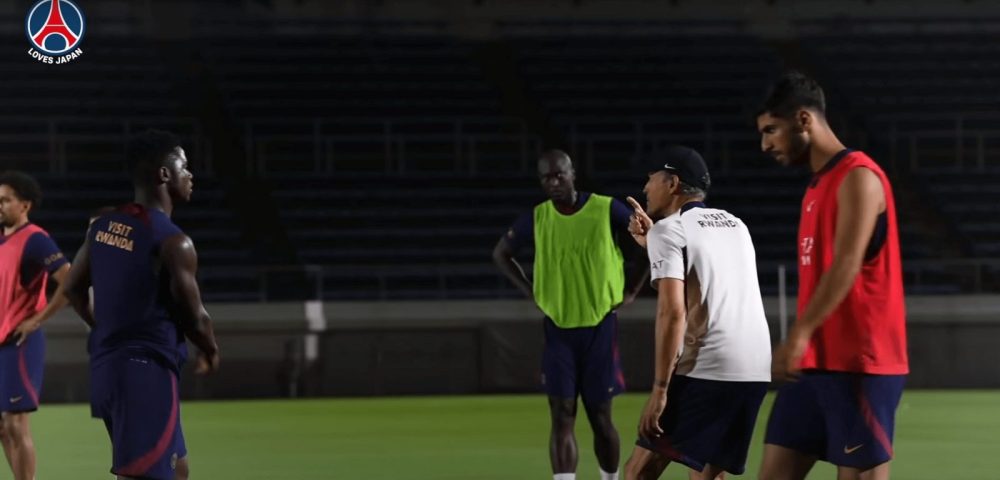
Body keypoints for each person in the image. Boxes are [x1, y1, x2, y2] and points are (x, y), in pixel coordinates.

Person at [755, 71, 908, 480]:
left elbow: (846, 264)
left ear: (804, 120)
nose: (765, 144)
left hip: (861, 363)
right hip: (813, 365)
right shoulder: (814, 188)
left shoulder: (859, 176)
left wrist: (798, 335)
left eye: (772, 130)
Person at [63, 130, 220, 480]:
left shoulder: (104, 227)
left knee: (178, 469)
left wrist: (102, 325)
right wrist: (210, 350)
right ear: (164, 175)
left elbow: (73, 288)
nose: (190, 175)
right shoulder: (173, 241)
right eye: (184, 167)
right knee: (143, 476)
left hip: (110, 367)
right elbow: (195, 316)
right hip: (144, 372)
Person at [492, 149, 648, 480]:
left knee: (599, 414)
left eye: (559, 175)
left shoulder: (606, 209)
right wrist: (531, 290)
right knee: (562, 412)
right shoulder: (538, 217)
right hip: (559, 328)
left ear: (573, 173)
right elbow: (502, 253)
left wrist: (632, 289)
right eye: (546, 177)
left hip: (599, 326)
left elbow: (648, 244)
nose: (553, 182)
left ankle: (610, 478)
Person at [621, 147, 771, 480]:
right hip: (755, 370)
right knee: (706, 473)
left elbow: (674, 313)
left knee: (637, 472)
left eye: (651, 180)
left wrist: (660, 390)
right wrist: (652, 245)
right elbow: (702, 282)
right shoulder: (736, 225)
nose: (646, 189)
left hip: (709, 367)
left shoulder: (670, 230)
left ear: (672, 183)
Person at [0, 171, 71, 480]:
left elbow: (69, 281)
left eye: (5, 200)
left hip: (20, 342)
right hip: (1, 342)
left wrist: (37, 319)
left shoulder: (36, 240)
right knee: (3, 427)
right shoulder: (2, 240)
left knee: (16, 423)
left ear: (24, 205)